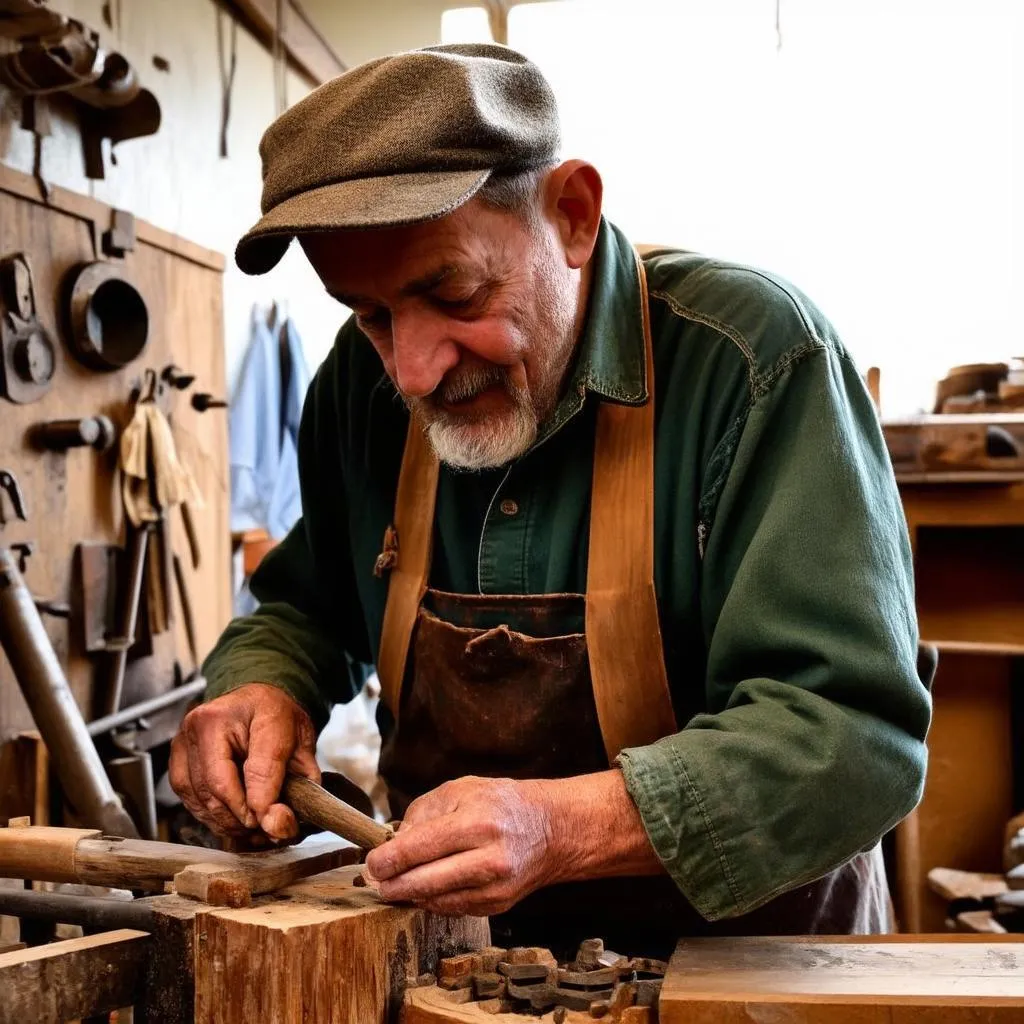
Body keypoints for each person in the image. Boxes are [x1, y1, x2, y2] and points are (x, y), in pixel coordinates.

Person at [170, 43, 931, 957]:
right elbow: (309, 601)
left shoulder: (755, 363)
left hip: (745, 974)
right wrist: (262, 685)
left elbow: (853, 738)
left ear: (571, 215)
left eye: (452, 292)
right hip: (462, 977)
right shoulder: (361, 390)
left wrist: (561, 825)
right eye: (369, 314)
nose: (412, 369)